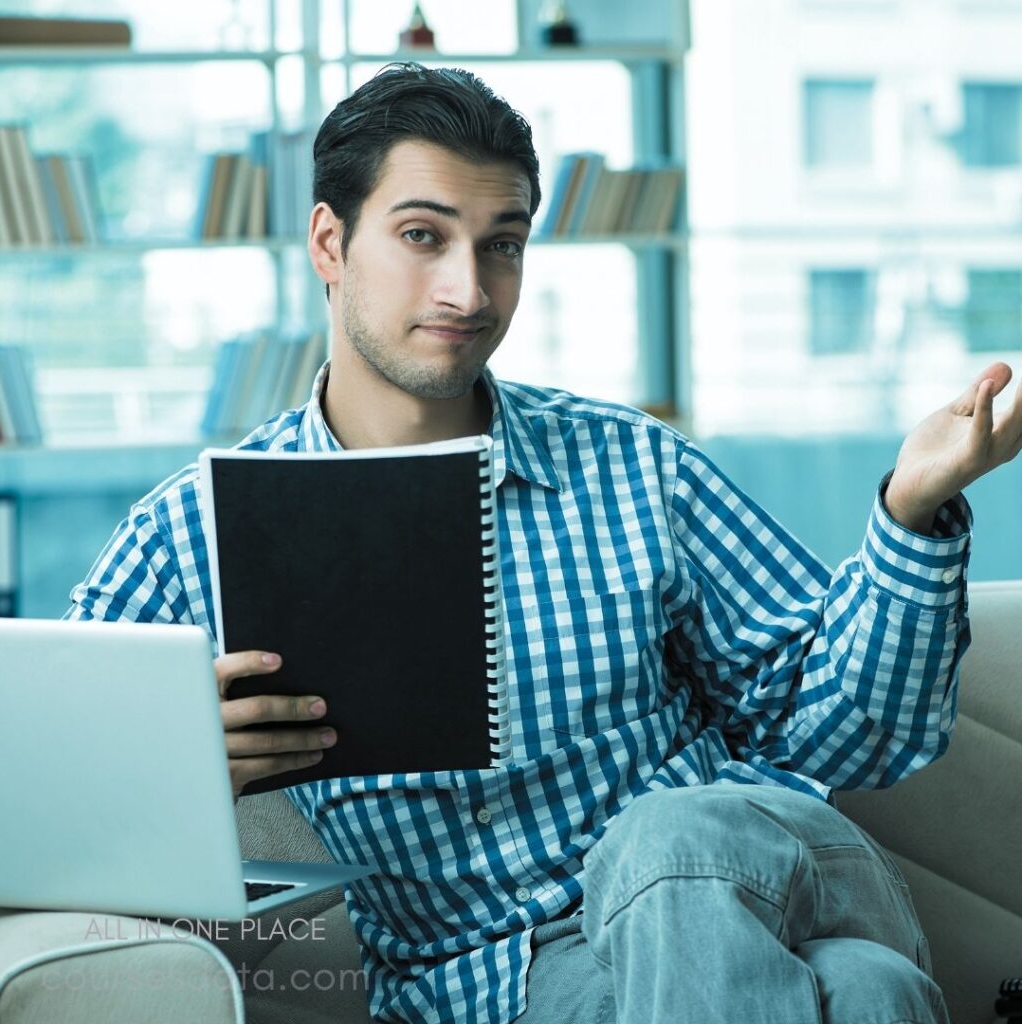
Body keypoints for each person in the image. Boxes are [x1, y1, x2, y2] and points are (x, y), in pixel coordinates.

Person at [67, 63, 1022, 1024]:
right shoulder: (193, 534)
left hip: (762, 868)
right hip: (504, 985)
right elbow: (53, 782)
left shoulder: (635, 465)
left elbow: (850, 735)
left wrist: (911, 508)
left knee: (662, 839)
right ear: (330, 242)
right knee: (868, 991)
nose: (468, 289)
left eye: (504, 246)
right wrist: (180, 771)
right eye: (421, 236)